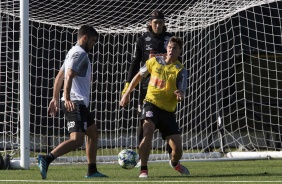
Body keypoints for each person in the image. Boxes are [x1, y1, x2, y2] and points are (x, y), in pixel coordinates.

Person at [38, 25, 107, 179]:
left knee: (93, 133)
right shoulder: (80, 53)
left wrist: (55, 98)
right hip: (75, 103)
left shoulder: (71, 52)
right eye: (93, 41)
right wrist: (66, 97)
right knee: (77, 140)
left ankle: (92, 170)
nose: (93, 45)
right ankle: (47, 158)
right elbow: (68, 75)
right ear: (85, 38)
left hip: (79, 102)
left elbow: (59, 76)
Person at [120, 36, 190, 178]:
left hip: (168, 111)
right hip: (150, 104)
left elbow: (182, 91)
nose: (171, 50)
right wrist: (127, 94)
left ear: (180, 51)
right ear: (167, 48)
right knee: (148, 130)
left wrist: (180, 95)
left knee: (178, 150)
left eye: (174, 48)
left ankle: (174, 163)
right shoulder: (154, 61)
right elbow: (138, 76)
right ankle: (144, 169)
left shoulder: (181, 71)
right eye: (169, 47)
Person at [121, 10, 173, 165]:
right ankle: (140, 157)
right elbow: (135, 63)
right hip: (146, 89)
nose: (158, 25)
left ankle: (172, 155)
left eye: (160, 22)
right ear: (150, 23)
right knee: (143, 122)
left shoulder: (169, 39)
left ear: (164, 23)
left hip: (165, 88)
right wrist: (127, 87)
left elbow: (178, 63)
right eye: (155, 22)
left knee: (167, 120)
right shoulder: (142, 39)